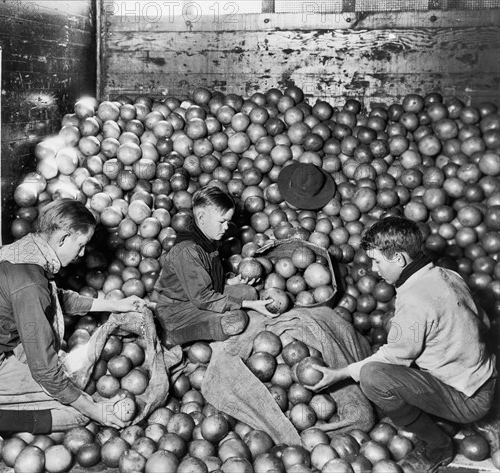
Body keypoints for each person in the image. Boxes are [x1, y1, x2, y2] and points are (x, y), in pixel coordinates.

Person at [0, 199, 146, 473]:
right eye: (80, 245)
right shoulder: (30, 281)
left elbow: (54, 299)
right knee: (76, 412)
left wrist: (115, 304)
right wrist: (95, 411)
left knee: (68, 386)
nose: (82, 254)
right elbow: (47, 373)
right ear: (63, 238)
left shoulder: (25, 251)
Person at [306, 216, 497, 472]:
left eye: (377, 261)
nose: (374, 269)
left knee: (373, 376)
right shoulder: (447, 275)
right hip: (487, 377)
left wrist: (340, 373)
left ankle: (439, 445)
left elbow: (395, 358)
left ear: (398, 259)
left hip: (469, 399)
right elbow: (482, 322)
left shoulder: (414, 301)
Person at [152, 185, 273, 347]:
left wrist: (229, 282)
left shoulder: (209, 240)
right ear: (201, 217)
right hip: (176, 310)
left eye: (228, 222)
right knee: (236, 320)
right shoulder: (187, 251)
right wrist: (246, 305)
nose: (226, 228)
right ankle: (174, 334)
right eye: (222, 222)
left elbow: (207, 275)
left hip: (198, 297)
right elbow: (202, 298)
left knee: (249, 292)